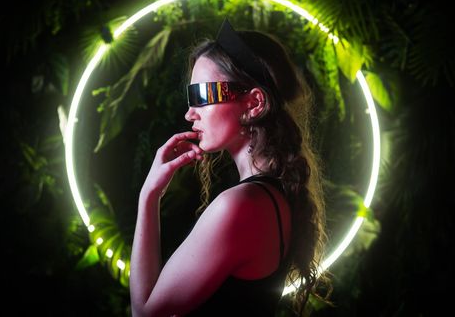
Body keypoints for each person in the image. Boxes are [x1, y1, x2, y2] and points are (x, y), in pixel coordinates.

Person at [130, 19, 329, 316]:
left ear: (254, 103)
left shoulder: (240, 206)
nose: (189, 113)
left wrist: (149, 196)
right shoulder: (271, 197)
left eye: (201, 96)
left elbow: (145, 312)